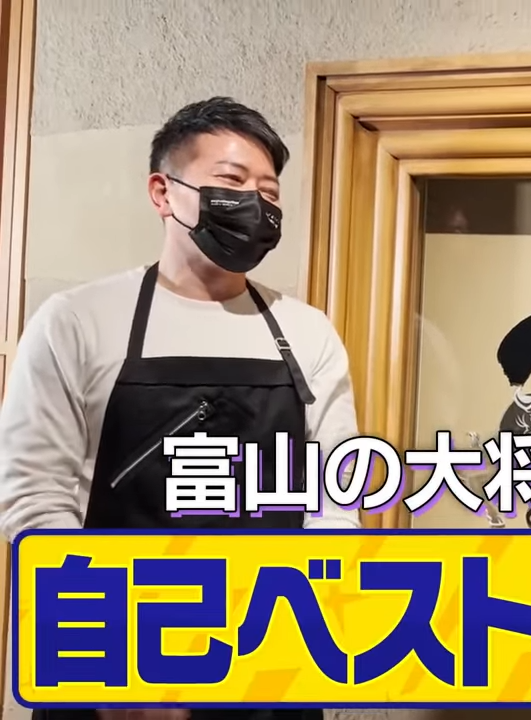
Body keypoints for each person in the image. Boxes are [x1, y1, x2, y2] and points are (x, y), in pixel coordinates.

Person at [0, 97, 362, 720]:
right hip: (110, 661)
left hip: (269, 657)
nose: (254, 204)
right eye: (232, 182)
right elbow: (31, 498)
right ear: (163, 192)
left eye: (269, 192)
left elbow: (336, 502)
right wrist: (113, 646)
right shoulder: (78, 320)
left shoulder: (309, 334)